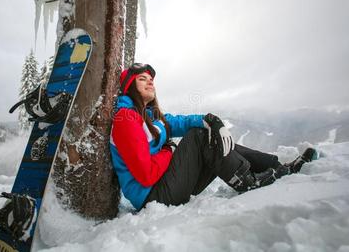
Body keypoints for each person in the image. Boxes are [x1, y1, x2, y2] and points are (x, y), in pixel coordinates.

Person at [109, 63, 316, 210]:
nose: (150, 83)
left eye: (151, 79)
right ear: (129, 87)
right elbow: (145, 175)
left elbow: (179, 121)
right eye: (142, 79)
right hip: (153, 197)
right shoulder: (126, 120)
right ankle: (247, 180)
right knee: (199, 137)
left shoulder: (151, 116)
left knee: (207, 132)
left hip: (168, 185)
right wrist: (169, 151)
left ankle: (276, 166)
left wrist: (210, 120)